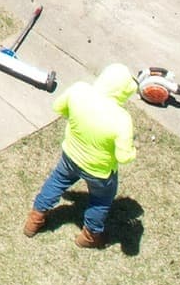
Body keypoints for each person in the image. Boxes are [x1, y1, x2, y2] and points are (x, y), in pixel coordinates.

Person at [23, 64, 138, 248]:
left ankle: (35, 219)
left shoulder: (79, 90)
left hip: (70, 155)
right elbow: (124, 157)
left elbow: (58, 107)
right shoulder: (122, 119)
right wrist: (132, 148)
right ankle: (89, 237)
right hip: (99, 171)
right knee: (100, 202)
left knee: (56, 182)